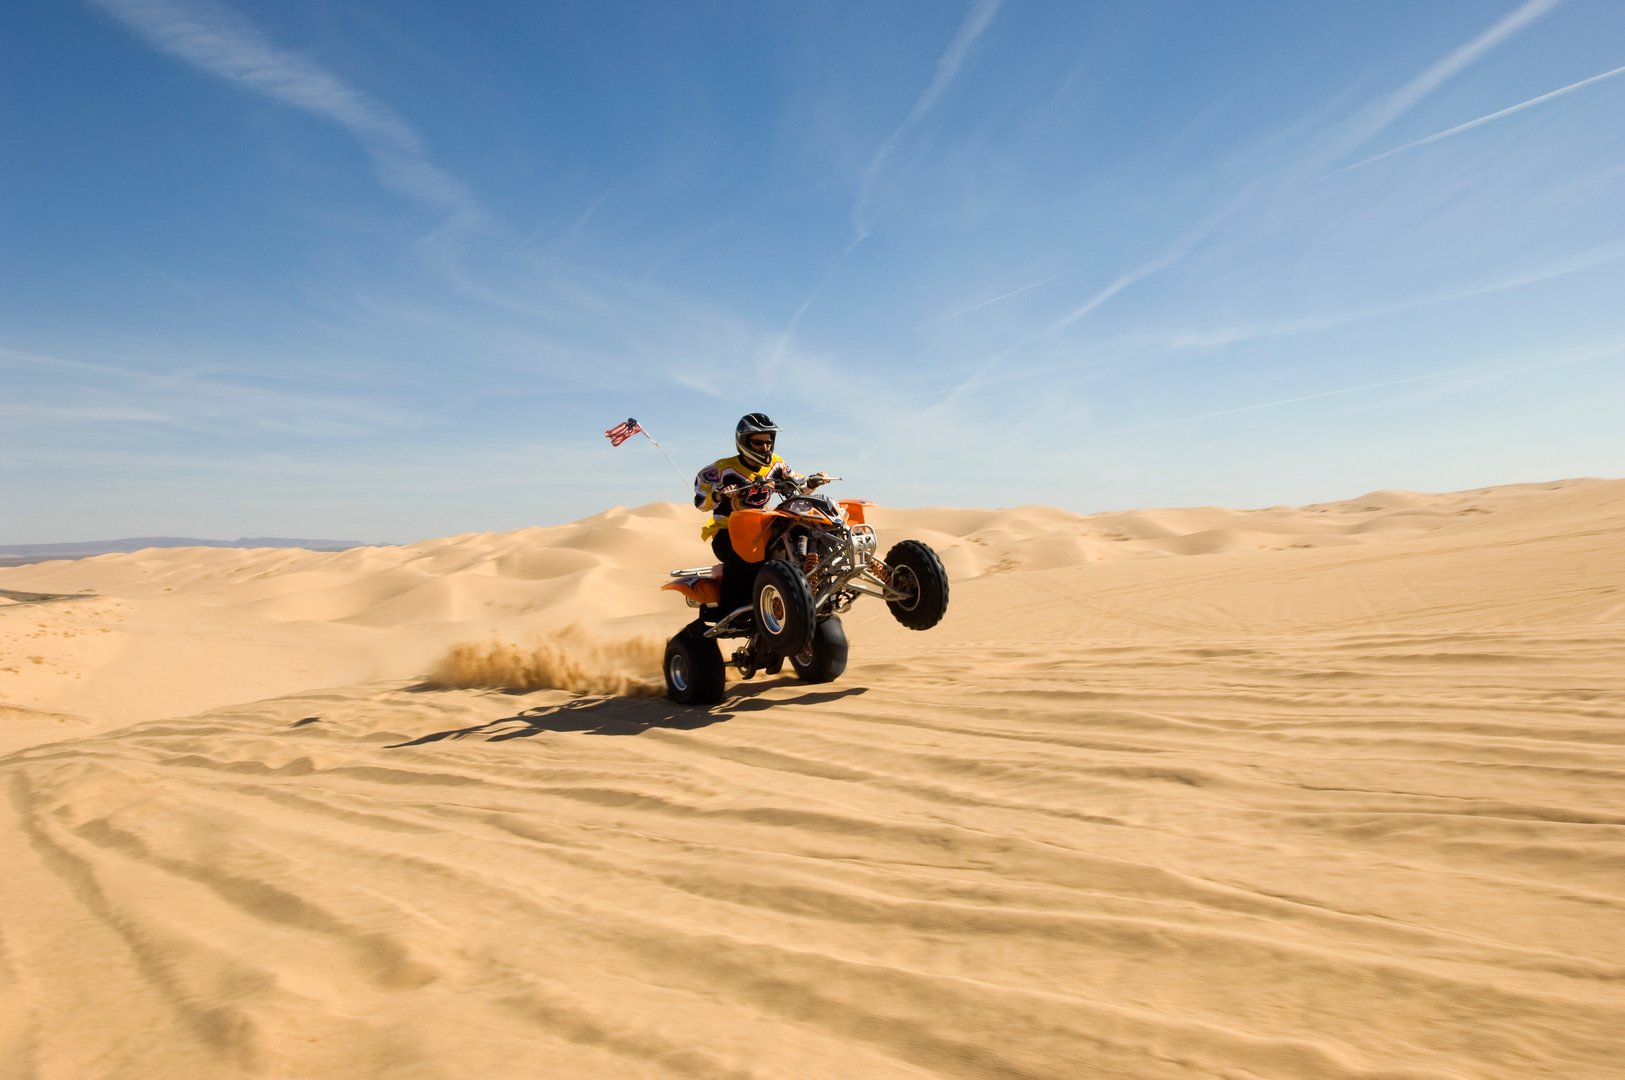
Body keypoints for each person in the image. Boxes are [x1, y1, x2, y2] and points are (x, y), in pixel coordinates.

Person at [693, 413, 827, 616]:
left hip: (763, 527)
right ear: (743, 441)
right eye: (758, 443)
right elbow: (701, 502)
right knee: (743, 557)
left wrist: (811, 482)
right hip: (729, 531)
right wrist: (720, 494)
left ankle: (810, 591)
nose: (765, 447)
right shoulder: (721, 469)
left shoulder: (776, 463)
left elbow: (797, 484)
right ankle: (731, 608)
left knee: (803, 534)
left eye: (768, 442)